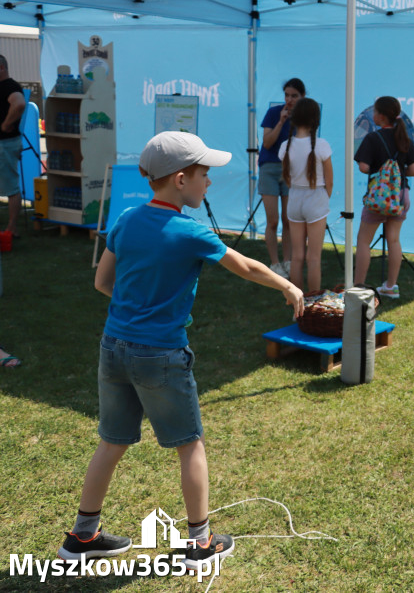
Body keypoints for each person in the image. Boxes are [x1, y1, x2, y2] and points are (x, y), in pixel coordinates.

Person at [59, 131, 305, 570]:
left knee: (111, 442)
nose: (208, 183)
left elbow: (102, 282)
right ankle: (200, 544)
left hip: (114, 347)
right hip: (161, 356)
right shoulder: (190, 232)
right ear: (179, 179)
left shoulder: (127, 220)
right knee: (190, 445)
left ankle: (82, 535)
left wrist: (136, 309)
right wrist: (286, 283)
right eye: (204, 175)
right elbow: (244, 265)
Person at [354, 96, 414, 298]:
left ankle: (359, 286)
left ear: (380, 116)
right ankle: (390, 287)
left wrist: (380, 172)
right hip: (400, 195)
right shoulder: (405, 140)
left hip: (378, 198)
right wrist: (396, 173)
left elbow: (364, 167)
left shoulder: (372, 138)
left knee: (364, 241)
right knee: (394, 240)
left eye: (374, 112)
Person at [279, 98, 332, 292]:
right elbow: (330, 180)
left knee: (297, 256)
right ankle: (313, 303)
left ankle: (298, 306)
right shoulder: (322, 145)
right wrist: (324, 199)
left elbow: (288, 177)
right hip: (316, 197)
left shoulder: (285, 146)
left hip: (294, 198)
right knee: (314, 257)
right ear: (315, 120)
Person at [259, 78, 306, 277]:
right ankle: (274, 262)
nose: (289, 99)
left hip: (290, 171)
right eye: (287, 95)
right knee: (273, 220)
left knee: (289, 219)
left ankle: (287, 261)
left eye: (294, 96)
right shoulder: (273, 113)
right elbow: (267, 143)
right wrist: (281, 121)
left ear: (302, 97)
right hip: (269, 169)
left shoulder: (304, 118)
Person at [0, 55, 26, 238]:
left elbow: (19, 104)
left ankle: (11, 228)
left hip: (5, 143)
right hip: (4, 143)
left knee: (10, 187)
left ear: (1, 67)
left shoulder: (11, 86)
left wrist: (6, 125)